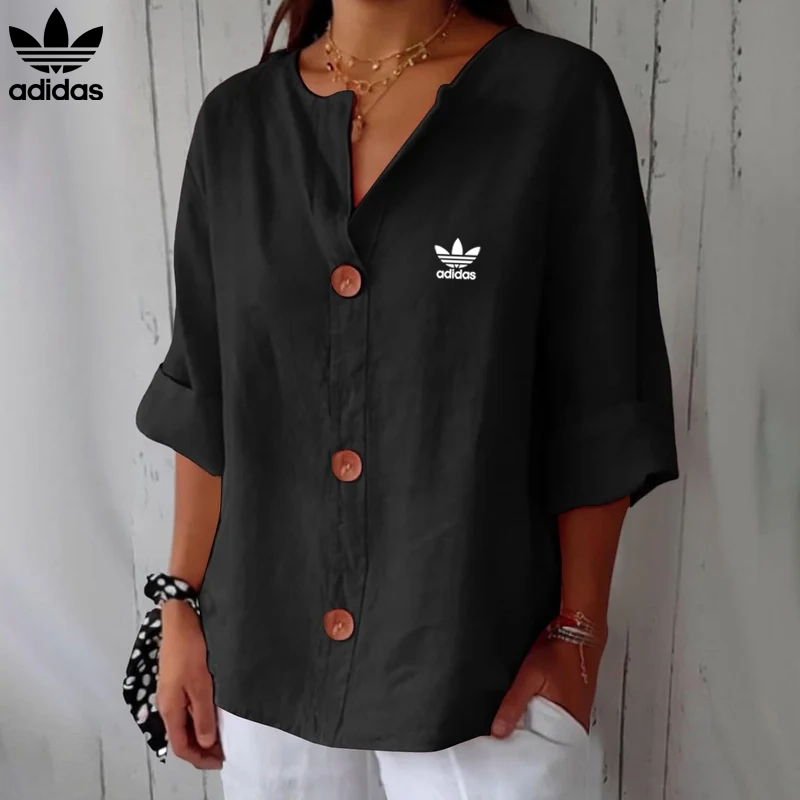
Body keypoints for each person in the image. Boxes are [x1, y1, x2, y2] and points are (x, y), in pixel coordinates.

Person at [133, 0, 680, 797]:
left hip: (483, 673)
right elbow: (207, 391)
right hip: (265, 664)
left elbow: (600, 395)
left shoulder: (556, 99)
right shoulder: (236, 123)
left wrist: (578, 635)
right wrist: (180, 606)